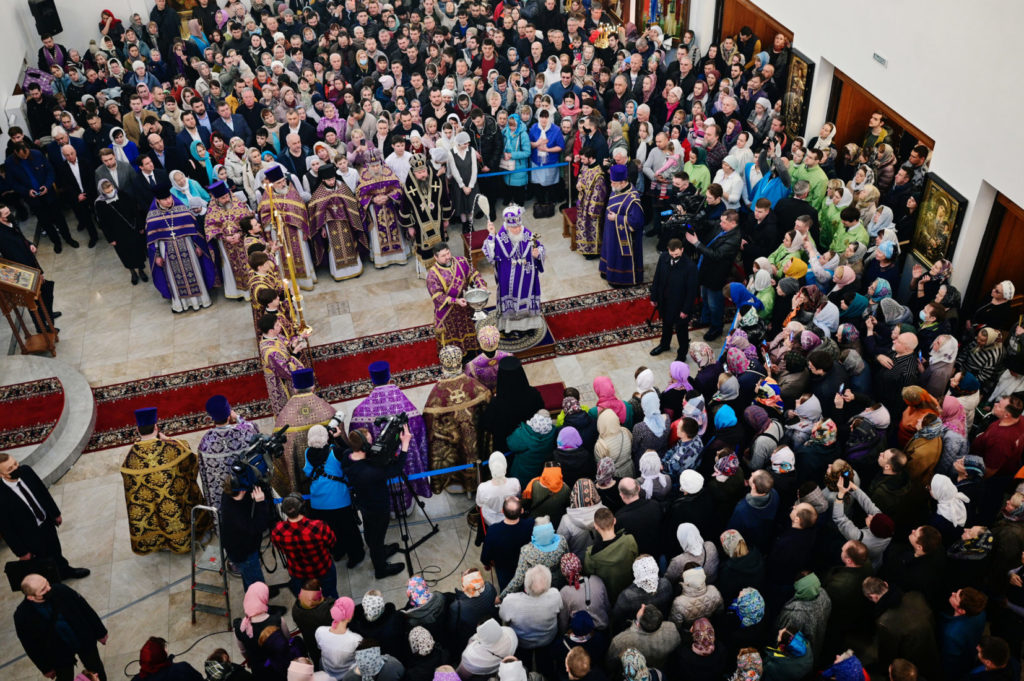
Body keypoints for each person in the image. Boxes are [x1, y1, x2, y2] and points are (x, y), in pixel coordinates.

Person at [120, 407, 205, 554]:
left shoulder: (130, 460)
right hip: (174, 505)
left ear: (137, 430)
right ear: (156, 427)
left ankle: (160, 541)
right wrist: (171, 440)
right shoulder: (172, 449)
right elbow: (191, 460)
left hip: (152, 509)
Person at [349, 360, 432, 507]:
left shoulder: (361, 410)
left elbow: (355, 435)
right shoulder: (404, 404)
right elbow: (419, 426)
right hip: (403, 459)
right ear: (389, 378)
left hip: (378, 464)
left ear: (372, 381)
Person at [0, 454, 89, 580]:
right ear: (1, 475)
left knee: (56, 550)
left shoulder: (26, 471)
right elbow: (6, 529)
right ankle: (51, 583)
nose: (16, 468)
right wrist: (21, 552)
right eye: (10, 469)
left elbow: (42, 492)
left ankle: (65, 571)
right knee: (43, 561)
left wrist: (55, 513)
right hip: (28, 536)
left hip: (46, 521)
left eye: (15, 463)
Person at [343, 425, 412, 578]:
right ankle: (381, 568)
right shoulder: (370, 471)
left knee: (370, 532)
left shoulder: (347, 455)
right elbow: (396, 469)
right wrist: (405, 444)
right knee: (377, 537)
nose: (373, 441)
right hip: (378, 507)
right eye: (369, 440)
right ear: (365, 446)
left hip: (364, 504)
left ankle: (379, 551)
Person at [423, 345, 491, 493]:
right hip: (476, 449)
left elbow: (431, 427)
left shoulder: (436, 395)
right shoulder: (478, 388)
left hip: (456, 453)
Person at [15, 574, 108, 681]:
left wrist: (100, 632)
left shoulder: (61, 590)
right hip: (58, 654)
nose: (49, 588)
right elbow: (30, 646)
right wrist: (46, 668)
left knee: (97, 670)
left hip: (83, 640)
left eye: (47, 583)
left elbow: (85, 609)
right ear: (31, 597)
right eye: (43, 589)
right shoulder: (22, 616)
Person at [144, 183, 217, 312]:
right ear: (158, 200)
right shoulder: (152, 216)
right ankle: (181, 304)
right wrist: (157, 256)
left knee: (195, 272)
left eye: (169, 198)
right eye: (164, 200)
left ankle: (202, 300)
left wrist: (197, 246)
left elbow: (194, 230)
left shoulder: (182, 209)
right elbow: (152, 240)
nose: (168, 201)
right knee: (174, 278)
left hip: (187, 246)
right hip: (166, 249)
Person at [303, 423, 365, 568]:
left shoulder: (307, 453)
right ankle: (355, 556)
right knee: (349, 529)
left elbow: (307, 472)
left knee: (330, 530)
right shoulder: (335, 452)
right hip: (338, 499)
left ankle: (338, 552)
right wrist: (338, 438)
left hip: (318, 502)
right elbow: (352, 453)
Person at [483, 203, 547, 337]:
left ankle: (530, 325)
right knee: (511, 304)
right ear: (507, 226)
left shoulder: (527, 234)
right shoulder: (500, 238)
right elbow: (490, 255)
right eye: (514, 227)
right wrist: (490, 234)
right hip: (509, 279)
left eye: (519, 226)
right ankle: (512, 328)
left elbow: (540, 248)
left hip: (528, 277)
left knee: (528, 300)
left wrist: (538, 254)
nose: (518, 229)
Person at [274, 368, 336, 494]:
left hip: (302, 479)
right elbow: (341, 439)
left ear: (295, 389)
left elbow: (278, 452)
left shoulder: (284, 417)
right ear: (313, 387)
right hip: (332, 481)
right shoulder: (327, 411)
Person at [258, 165, 319, 289]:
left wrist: (305, 229)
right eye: (279, 182)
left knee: (301, 255)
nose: (283, 184)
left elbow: (301, 210)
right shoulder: (267, 197)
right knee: (282, 257)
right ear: (272, 184)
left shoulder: (292, 192)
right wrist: (269, 236)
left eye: (283, 181)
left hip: (296, 230)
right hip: (278, 232)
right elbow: (264, 217)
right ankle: (290, 284)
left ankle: (305, 282)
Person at [687, 209, 742, 341]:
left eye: (723, 222)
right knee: (704, 297)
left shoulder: (734, 238)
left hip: (717, 274)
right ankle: (705, 319)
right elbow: (710, 224)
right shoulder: (722, 228)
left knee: (715, 304)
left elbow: (716, 255)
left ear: (733, 223)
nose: (720, 223)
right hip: (706, 268)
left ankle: (716, 327)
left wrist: (696, 243)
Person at [0, 203, 59, 328]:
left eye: (9, 211)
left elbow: (22, 239)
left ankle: (47, 314)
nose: (9, 214)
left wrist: (30, 244)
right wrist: (35, 273)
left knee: (45, 291)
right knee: (33, 300)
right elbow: (16, 256)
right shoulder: (2, 235)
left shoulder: (11, 222)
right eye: (6, 214)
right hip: (24, 270)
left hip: (31, 262)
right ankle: (41, 326)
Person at [197, 394, 259, 511]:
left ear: (211, 417)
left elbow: (204, 474)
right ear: (229, 415)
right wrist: (239, 418)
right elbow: (254, 428)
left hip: (224, 500)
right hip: (249, 492)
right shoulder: (245, 431)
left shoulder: (206, 442)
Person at [271, 494, 339, 597]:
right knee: (331, 596)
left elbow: (280, 548)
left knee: (307, 601)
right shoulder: (319, 526)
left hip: (298, 573)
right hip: (322, 569)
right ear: (303, 507)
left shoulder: (278, 530)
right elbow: (332, 542)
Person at [308, 163, 367, 281]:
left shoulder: (342, 186)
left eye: (333, 178)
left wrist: (352, 219)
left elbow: (351, 202)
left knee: (349, 242)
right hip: (330, 226)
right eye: (329, 180)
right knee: (335, 247)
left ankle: (355, 269)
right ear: (323, 179)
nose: (331, 182)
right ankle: (339, 273)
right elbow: (317, 212)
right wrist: (322, 228)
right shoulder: (318, 193)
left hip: (346, 222)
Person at [426, 241, 488, 353]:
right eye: (443, 256)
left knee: (468, 329)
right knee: (452, 334)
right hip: (448, 311)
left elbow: (474, 274)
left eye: (448, 253)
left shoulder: (461, 261)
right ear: (436, 257)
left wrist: (481, 285)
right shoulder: (433, 274)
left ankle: (470, 352)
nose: (447, 257)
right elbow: (437, 296)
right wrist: (455, 301)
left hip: (465, 306)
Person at [399, 152, 453, 275]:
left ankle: (443, 266)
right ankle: (426, 272)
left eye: (424, 171)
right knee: (423, 250)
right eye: (419, 173)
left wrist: (446, 219)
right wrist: (410, 227)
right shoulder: (408, 188)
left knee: (440, 246)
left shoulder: (437, 182)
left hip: (437, 224)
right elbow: (405, 207)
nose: (423, 174)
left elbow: (445, 199)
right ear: (413, 173)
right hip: (419, 227)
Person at [356, 149, 408, 268]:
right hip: (374, 210)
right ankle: (381, 260)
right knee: (376, 235)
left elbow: (399, 188)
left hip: (390, 207)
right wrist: (372, 199)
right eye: (372, 166)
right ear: (367, 165)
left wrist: (389, 196)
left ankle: (399, 257)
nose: (375, 168)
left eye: (377, 165)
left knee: (396, 232)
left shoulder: (388, 172)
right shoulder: (363, 176)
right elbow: (359, 194)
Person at [204, 180, 255, 299]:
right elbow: (209, 228)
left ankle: (251, 290)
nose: (226, 199)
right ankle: (236, 293)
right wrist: (224, 237)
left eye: (227, 196)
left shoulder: (238, 204)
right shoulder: (212, 210)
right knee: (229, 267)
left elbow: (248, 221)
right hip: (225, 245)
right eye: (222, 198)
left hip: (242, 241)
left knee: (247, 263)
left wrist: (240, 234)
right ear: (216, 199)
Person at [650, 237, 699, 360]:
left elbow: (691, 291)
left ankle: (682, 354)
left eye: (676, 254)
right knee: (666, 324)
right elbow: (657, 278)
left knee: (681, 331)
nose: (674, 257)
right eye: (672, 254)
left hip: (679, 304)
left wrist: (686, 310)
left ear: (682, 250)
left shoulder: (690, 267)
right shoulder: (664, 258)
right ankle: (664, 344)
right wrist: (654, 296)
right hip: (665, 301)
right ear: (668, 250)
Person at [94, 179, 148, 285]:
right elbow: (103, 224)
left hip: (132, 229)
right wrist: (110, 238)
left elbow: (135, 211)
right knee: (125, 254)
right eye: (107, 191)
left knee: (138, 250)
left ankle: (141, 270)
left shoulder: (123, 195)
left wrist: (141, 226)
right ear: (102, 191)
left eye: (111, 189)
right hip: (117, 234)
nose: (110, 192)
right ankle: (132, 272)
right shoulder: (99, 203)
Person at [600, 164, 645, 287]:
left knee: (618, 257)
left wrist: (617, 218)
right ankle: (607, 271)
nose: (611, 184)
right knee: (610, 251)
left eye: (614, 182)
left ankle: (621, 279)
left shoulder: (633, 200)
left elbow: (637, 222)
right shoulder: (618, 189)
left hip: (623, 238)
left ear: (623, 182)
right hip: (611, 232)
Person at [257, 314, 307, 415]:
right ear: (271, 330)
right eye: (277, 324)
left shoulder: (274, 336)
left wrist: (299, 338)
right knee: (292, 408)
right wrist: (295, 352)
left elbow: (286, 344)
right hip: (282, 381)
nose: (280, 325)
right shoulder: (270, 352)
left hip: (283, 369)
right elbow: (287, 372)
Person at [575, 146, 609, 258]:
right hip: (583, 203)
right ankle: (584, 248)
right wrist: (579, 183)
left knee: (592, 229)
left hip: (591, 208)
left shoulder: (599, 175)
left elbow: (598, 196)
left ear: (591, 158)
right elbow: (581, 175)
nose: (582, 161)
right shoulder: (585, 166)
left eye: (584, 159)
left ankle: (594, 251)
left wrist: (592, 212)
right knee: (583, 227)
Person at [464, 325, 512, 392]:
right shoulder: (509, 357)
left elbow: (471, 387)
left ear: (480, 344)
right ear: (497, 342)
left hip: (485, 395)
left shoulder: (471, 365)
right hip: (506, 391)